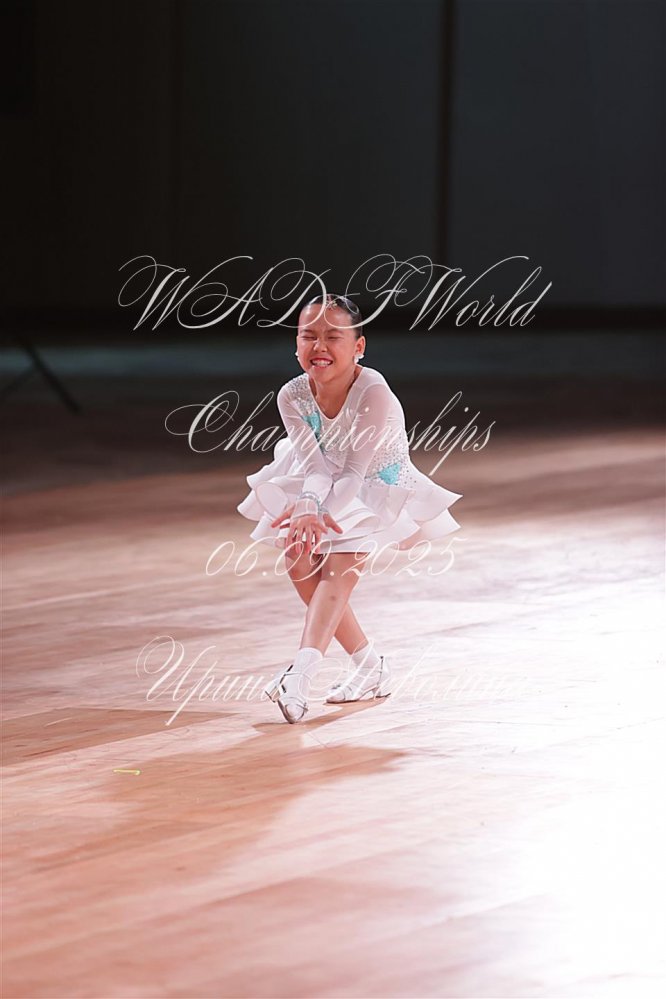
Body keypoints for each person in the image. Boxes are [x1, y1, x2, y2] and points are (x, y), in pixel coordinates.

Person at [236, 293, 463, 723]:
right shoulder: (292, 395)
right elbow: (317, 468)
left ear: (358, 346)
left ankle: (300, 676)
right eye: (308, 336)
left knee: (338, 571)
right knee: (299, 558)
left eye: (333, 337)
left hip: (374, 484)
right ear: (296, 344)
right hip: (324, 478)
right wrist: (307, 504)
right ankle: (369, 666)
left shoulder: (373, 391)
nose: (319, 346)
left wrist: (316, 510)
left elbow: (355, 474)